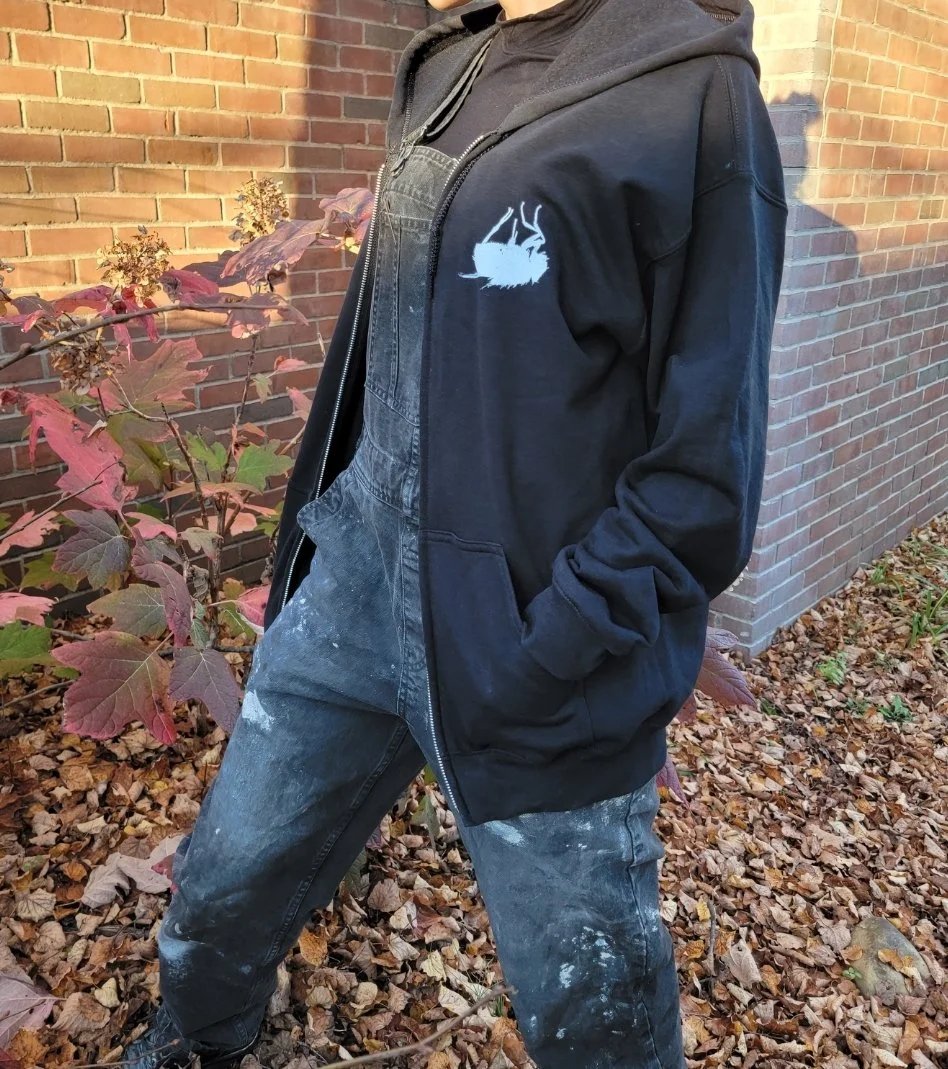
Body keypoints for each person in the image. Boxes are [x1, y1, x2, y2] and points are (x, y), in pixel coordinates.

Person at [126, 0, 786, 1066]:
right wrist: (331, 535)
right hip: (351, 586)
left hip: (529, 639)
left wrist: (564, 635)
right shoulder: (450, 63)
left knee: (591, 1005)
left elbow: (709, 458)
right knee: (221, 886)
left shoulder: (694, 94)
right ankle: (190, 1040)